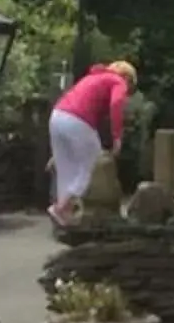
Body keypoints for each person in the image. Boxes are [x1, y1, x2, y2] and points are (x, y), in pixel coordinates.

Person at [48, 58, 137, 224]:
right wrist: (117, 137)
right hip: (78, 119)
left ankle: (62, 211)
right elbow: (116, 104)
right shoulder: (118, 80)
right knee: (94, 159)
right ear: (128, 78)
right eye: (130, 89)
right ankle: (62, 208)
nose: (127, 94)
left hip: (57, 116)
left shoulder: (93, 78)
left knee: (66, 167)